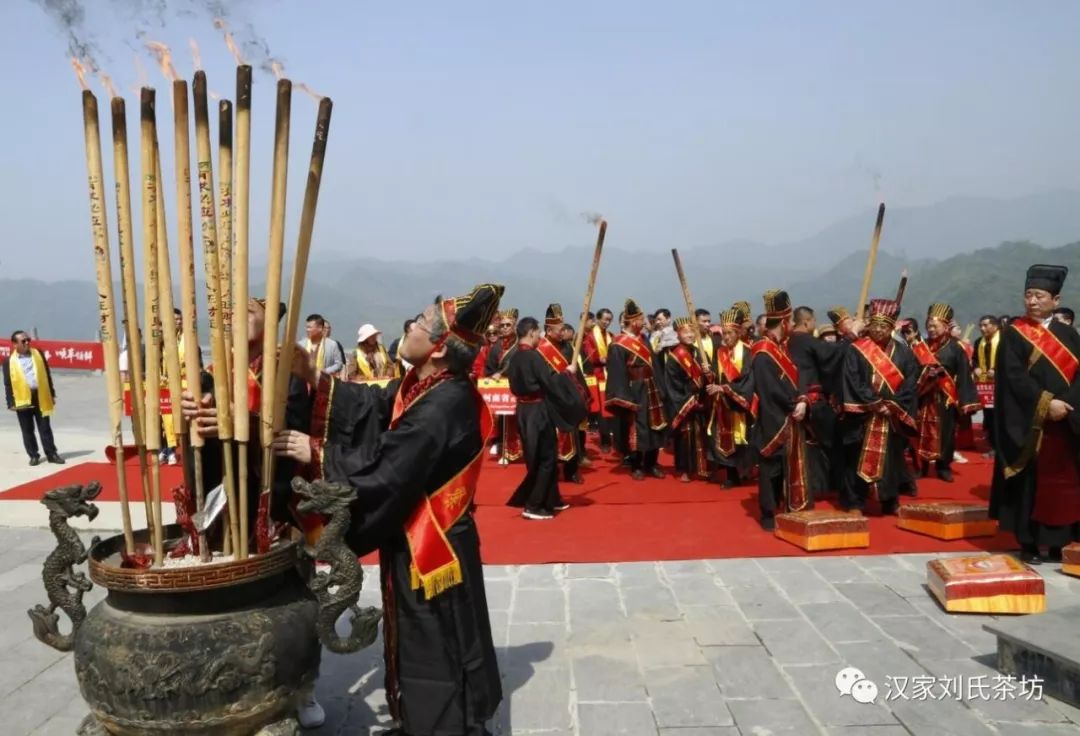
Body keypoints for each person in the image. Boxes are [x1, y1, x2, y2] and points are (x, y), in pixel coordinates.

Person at [273, 284, 505, 735]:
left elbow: (390, 467)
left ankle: (443, 728)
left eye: (419, 324)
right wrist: (319, 381)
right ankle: (419, 720)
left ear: (439, 348)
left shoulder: (443, 403)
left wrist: (316, 451)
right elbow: (375, 405)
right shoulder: (424, 383)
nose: (411, 327)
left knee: (437, 639)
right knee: (416, 634)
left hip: (434, 540)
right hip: (418, 532)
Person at [990, 265, 1080, 564]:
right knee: (1031, 482)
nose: (1032, 301)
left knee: (1062, 483)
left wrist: (1066, 403)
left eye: (1039, 296)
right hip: (1030, 423)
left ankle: (1058, 542)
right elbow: (1013, 378)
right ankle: (1027, 542)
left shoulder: (1069, 334)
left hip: (1066, 422)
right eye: (1028, 295)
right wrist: (1046, 404)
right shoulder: (1014, 334)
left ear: (1056, 299)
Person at [839, 299, 920, 515]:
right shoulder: (856, 350)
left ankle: (890, 501)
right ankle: (855, 502)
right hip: (863, 415)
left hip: (891, 415)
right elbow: (852, 380)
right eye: (874, 324)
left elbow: (911, 382)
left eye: (883, 326)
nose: (878, 329)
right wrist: (874, 403)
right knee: (856, 458)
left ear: (892, 327)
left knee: (891, 459)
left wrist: (893, 404)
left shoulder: (904, 354)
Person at [506, 312, 588, 519]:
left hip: (524, 411)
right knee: (546, 458)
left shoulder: (514, 356)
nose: (539, 337)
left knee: (543, 456)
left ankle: (552, 499)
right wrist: (568, 373)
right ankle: (533, 506)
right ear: (532, 332)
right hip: (537, 411)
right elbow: (550, 383)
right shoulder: (534, 356)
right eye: (537, 334)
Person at [743, 291, 809, 530]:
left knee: (785, 465)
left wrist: (802, 399)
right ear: (783, 322)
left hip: (791, 412)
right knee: (770, 467)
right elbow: (769, 389)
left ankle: (786, 503)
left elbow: (799, 373)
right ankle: (768, 512)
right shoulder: (762, 351)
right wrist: (793, 405)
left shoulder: (783, 347)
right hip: (773, 417)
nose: (791, 325)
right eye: (789, 321)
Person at [911, 303, 980, 482]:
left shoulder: (956, 348)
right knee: (920, 433)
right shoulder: (920, 347)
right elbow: (910, 372)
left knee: (946, 434)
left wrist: (967, 402)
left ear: (945, 326)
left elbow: (964, 374)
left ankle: (943, 466)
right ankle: (922, 466)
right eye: (929, 326)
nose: (931, 329)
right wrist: (925, 374)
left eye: (935, 326)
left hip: (946, 398)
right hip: (923, 397)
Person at [605, 299, 668, 480]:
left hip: (651, 387)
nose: (644, 323)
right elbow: (617, 373)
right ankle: (636, 464)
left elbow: (654, 364)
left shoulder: (643, 339)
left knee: (655, 425)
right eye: (641, 320)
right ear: (634, 322)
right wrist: (624, 397)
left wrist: (661, 387)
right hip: (634, 390)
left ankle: (652, 462)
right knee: (637, 428)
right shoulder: (618, 344)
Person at [787, 306, 844, 495]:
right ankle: (835, 484)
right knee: (833, 441)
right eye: (813, 321)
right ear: (806, 321)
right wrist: (851, 337)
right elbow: (832, 355)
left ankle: (815, 485)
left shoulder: (788, 342)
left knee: (808, 445)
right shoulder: (807, 341)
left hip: (794, 398)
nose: (815, 324)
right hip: (813, 400)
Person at [709, 308, 754, 487]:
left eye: (729, 333)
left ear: (738, 333)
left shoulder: (747, 352)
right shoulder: (718, 352)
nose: (726, 337)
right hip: (722, 403)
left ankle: (745, 470)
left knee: (742, 436)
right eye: (723, 333)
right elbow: (715, 375)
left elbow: (747, 378)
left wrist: (726, 388)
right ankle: (731, 474)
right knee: (724, 436)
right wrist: (709, 374)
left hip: (740, 401)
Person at [4, 330, 62, 465]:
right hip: (22, 398)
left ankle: (51, 453)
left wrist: (52, 393)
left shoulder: (38, 354)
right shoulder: (9, 361)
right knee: (27, 429)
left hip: (40, 395)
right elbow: (8, 383)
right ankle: (33, 455)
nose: (27, 343)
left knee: (45, 427)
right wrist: (10, 402)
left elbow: (47, 374)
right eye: (23, 341)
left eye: (28, 340)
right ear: (15, 344)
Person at [665, 317, 710, 482]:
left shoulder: (699, 352)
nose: (690, 335)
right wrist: (688, 396)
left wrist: (708, 373)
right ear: (678, 334)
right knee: (684, 436)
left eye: (692, 331)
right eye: (686, 332)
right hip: (684, 402)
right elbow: (672, 383)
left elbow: (708, 376)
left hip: (700, 400)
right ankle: (684, 469)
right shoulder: (674, 356)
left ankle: (701, 467)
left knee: (700, 434)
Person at [484, 308, 522, 464]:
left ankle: (518, 449)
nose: (505, 328)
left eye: (508, 325)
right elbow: (489, 369)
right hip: (501, 392)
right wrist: (493, 377)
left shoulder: (520, 345)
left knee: (518, 422)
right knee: (503, 421)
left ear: (514, 326)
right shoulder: (496, 348)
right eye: (502, 325)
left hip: (518, 389)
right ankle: (506, 450)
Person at [582, 307, 616, 452]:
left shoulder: (611, 335)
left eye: (609, 320)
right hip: (598, 376)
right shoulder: (590, 337)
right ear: (597, 319)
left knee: (611, 407)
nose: (607, 322)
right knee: (602, 410)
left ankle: (614, 438)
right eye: (605, 319)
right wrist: (604, 359)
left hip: (610, 374)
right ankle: (605, 441)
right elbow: (592, 356)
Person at [972, 314, 1001, 457]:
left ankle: (1000, 447)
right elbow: (974, 359)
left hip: (1001, 386)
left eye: (985, 325)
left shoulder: (1004, 341)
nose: (982, 328)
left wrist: (996, 369)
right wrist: (976, 367)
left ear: (995, 326)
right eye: (981, 326)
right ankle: (993, 445)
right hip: (985, 386)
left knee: (999, 416)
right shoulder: (979, 342)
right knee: (988, 416)